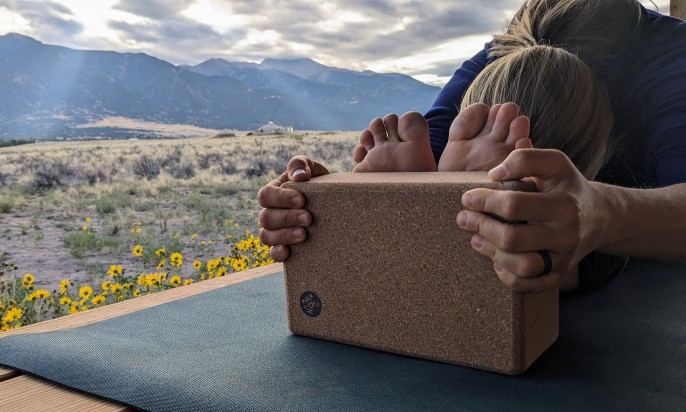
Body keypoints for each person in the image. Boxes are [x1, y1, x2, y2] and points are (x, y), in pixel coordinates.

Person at [257, 0, 686, 293]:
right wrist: (321, 204)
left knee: (589, 251)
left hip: (611, 259)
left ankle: (509, 218)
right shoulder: (502, 52)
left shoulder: (671, 54)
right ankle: (466, 199)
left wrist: (597, 214)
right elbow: (426, 133)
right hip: (514, 285)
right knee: (427, 174)